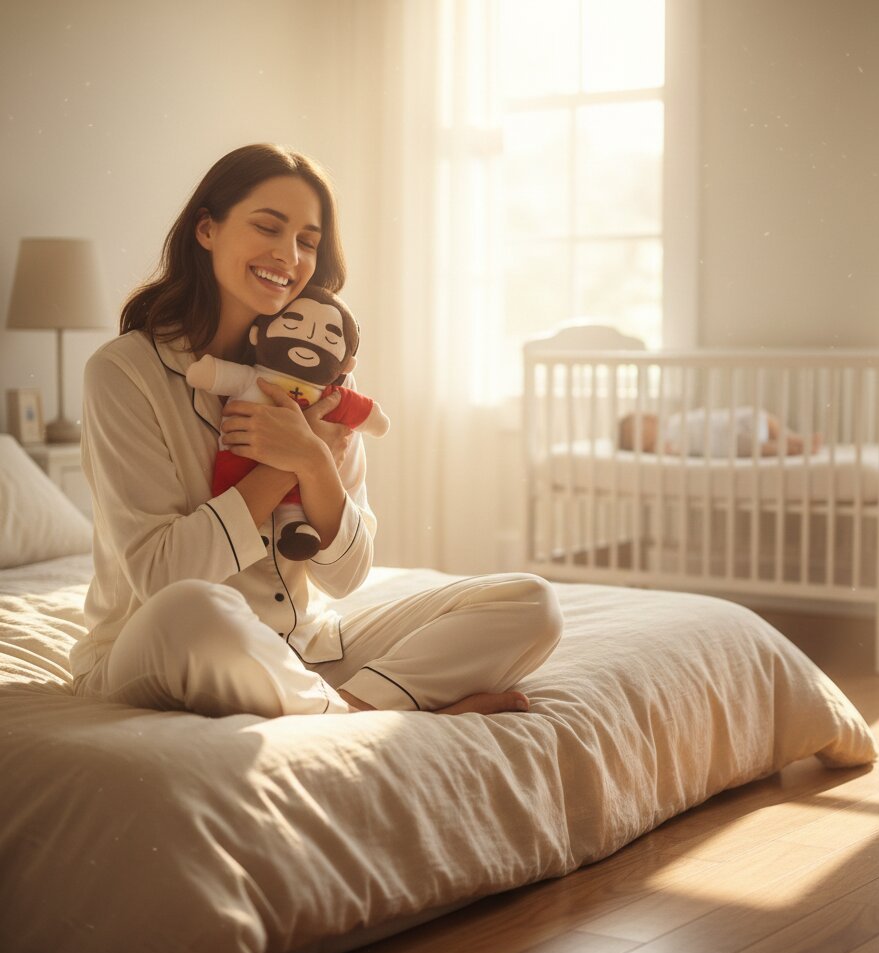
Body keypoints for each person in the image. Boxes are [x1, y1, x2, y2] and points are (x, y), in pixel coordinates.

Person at [70, 143, 562, 719]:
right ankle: (370, 711)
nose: (290, 255)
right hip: (160, 645)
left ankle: (348, 709)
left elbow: (346, 577)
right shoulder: (123, 372)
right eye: (268, 228)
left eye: (307, 240)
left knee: (532, 604)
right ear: (207, 230)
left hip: (305, 648)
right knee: (195, 612)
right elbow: (162, 577)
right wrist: (286, 465)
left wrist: (315, 461)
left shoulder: (319, 375)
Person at [619, 408, 822, 458]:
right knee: (757, 447)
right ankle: (790, 449)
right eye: (637, 431)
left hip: (729, 420)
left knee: (762, 416)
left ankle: (796, 438)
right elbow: (672, 452)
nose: (644, 425)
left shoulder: (671, 420)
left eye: (642, 421)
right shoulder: (661, 445)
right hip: (725, 441)